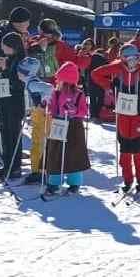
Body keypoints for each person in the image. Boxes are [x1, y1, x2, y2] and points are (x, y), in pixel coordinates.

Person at [25, 19, 91, 184]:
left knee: (38, 134)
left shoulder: (33, 43)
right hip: (58, 96)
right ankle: (52, 168)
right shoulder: (61, 46)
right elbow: (78, 63)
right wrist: (85, 56)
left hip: (37, 94)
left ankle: (37, 168)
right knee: (54, 136)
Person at [91, 44, 140, 193]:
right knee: (124, 145)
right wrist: (109, 85)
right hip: (122, 111)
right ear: (122, 58)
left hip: (139, 112)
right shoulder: (116, 67)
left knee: (137, 145)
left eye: (135, 58)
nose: (132, 61)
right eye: (128, 58)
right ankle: (128, 179)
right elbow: (95, 74)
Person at [41, 62, 91, 195]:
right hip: (59, 125)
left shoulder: (79, 94)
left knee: (73, 154)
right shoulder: (55, 93)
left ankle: (74, 182)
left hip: (74, 127)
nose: (61, 83)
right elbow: (51, 109)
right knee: (55, 153)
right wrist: (46, 105)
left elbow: (84, 110)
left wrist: (74, 111)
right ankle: (54, 182)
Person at [0, 32, 27, 180]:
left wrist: (5, 69)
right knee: (4, 134)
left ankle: (15, 166)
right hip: (4, 99)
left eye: (5, 45)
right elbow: (2, 78)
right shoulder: (7, 59)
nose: (2, 47)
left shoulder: (21, 61)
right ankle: (7, 165)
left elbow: (18, 83)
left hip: (15, 102)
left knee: (13, 134)